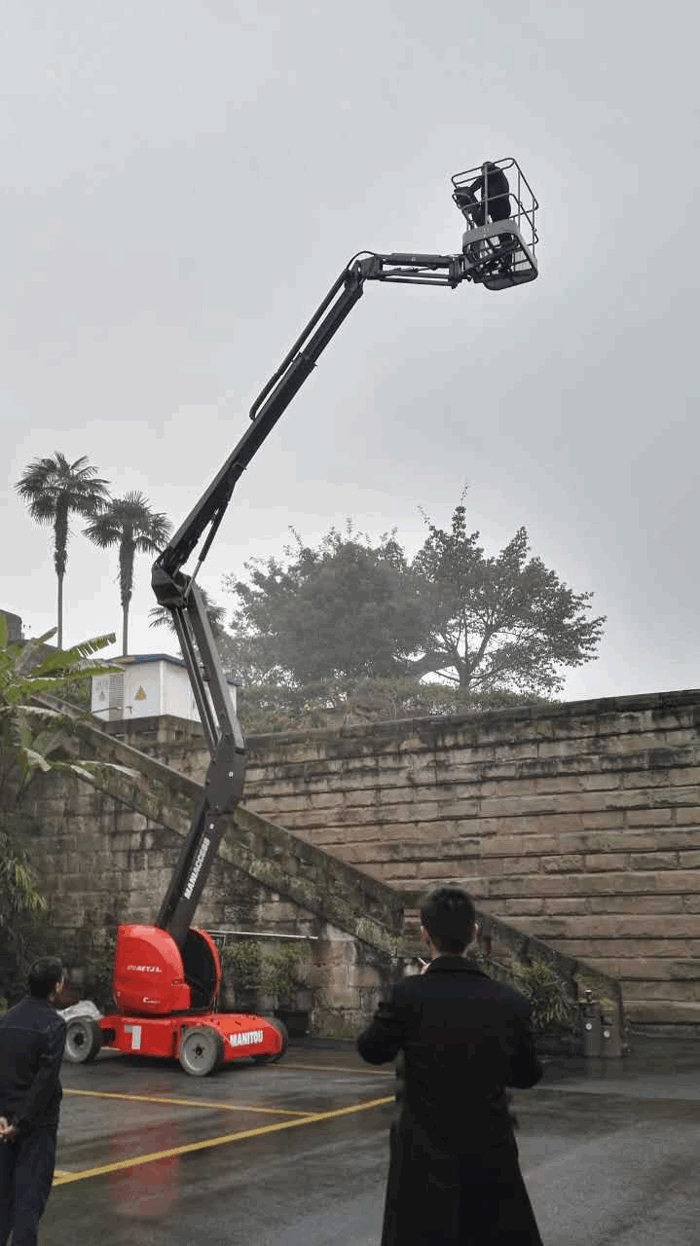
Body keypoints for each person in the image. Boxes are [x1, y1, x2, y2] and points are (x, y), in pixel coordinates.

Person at [357, 886, 544, 1246]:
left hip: (422, 1153)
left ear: (425, 934)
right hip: (491, 1150)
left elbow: (371, 1050)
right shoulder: (510, 1002)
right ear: (474, 932)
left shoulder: (408, 995)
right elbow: (527, 1075)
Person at [0, 957, 67, 1246]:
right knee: (29, 1203)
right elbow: (45, 1082)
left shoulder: (7, 1019)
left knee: (3, 1201)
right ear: (56, 986)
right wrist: (22, 1124)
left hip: (4, 1126)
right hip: (35, 1128)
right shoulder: (53, 1024)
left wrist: (3, 1116)